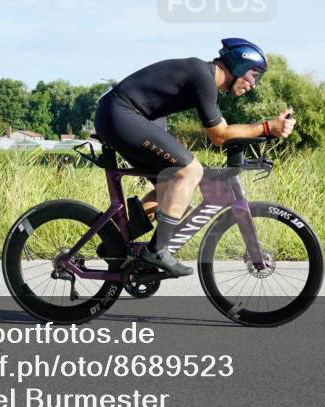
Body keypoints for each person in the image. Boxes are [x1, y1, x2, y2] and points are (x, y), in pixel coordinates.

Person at [93, 38, 296, 277]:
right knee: (191, 170)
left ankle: (114, 244)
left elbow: (226, 131)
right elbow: (219, 135)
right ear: (239, 65)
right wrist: (267, 127)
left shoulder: (204, 78)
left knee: (175, 198)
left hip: (123, 115)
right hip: (121, 114)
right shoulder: (203, 76)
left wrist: (268, 132)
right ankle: (156, 252)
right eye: (254, 75)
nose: (254, 84)